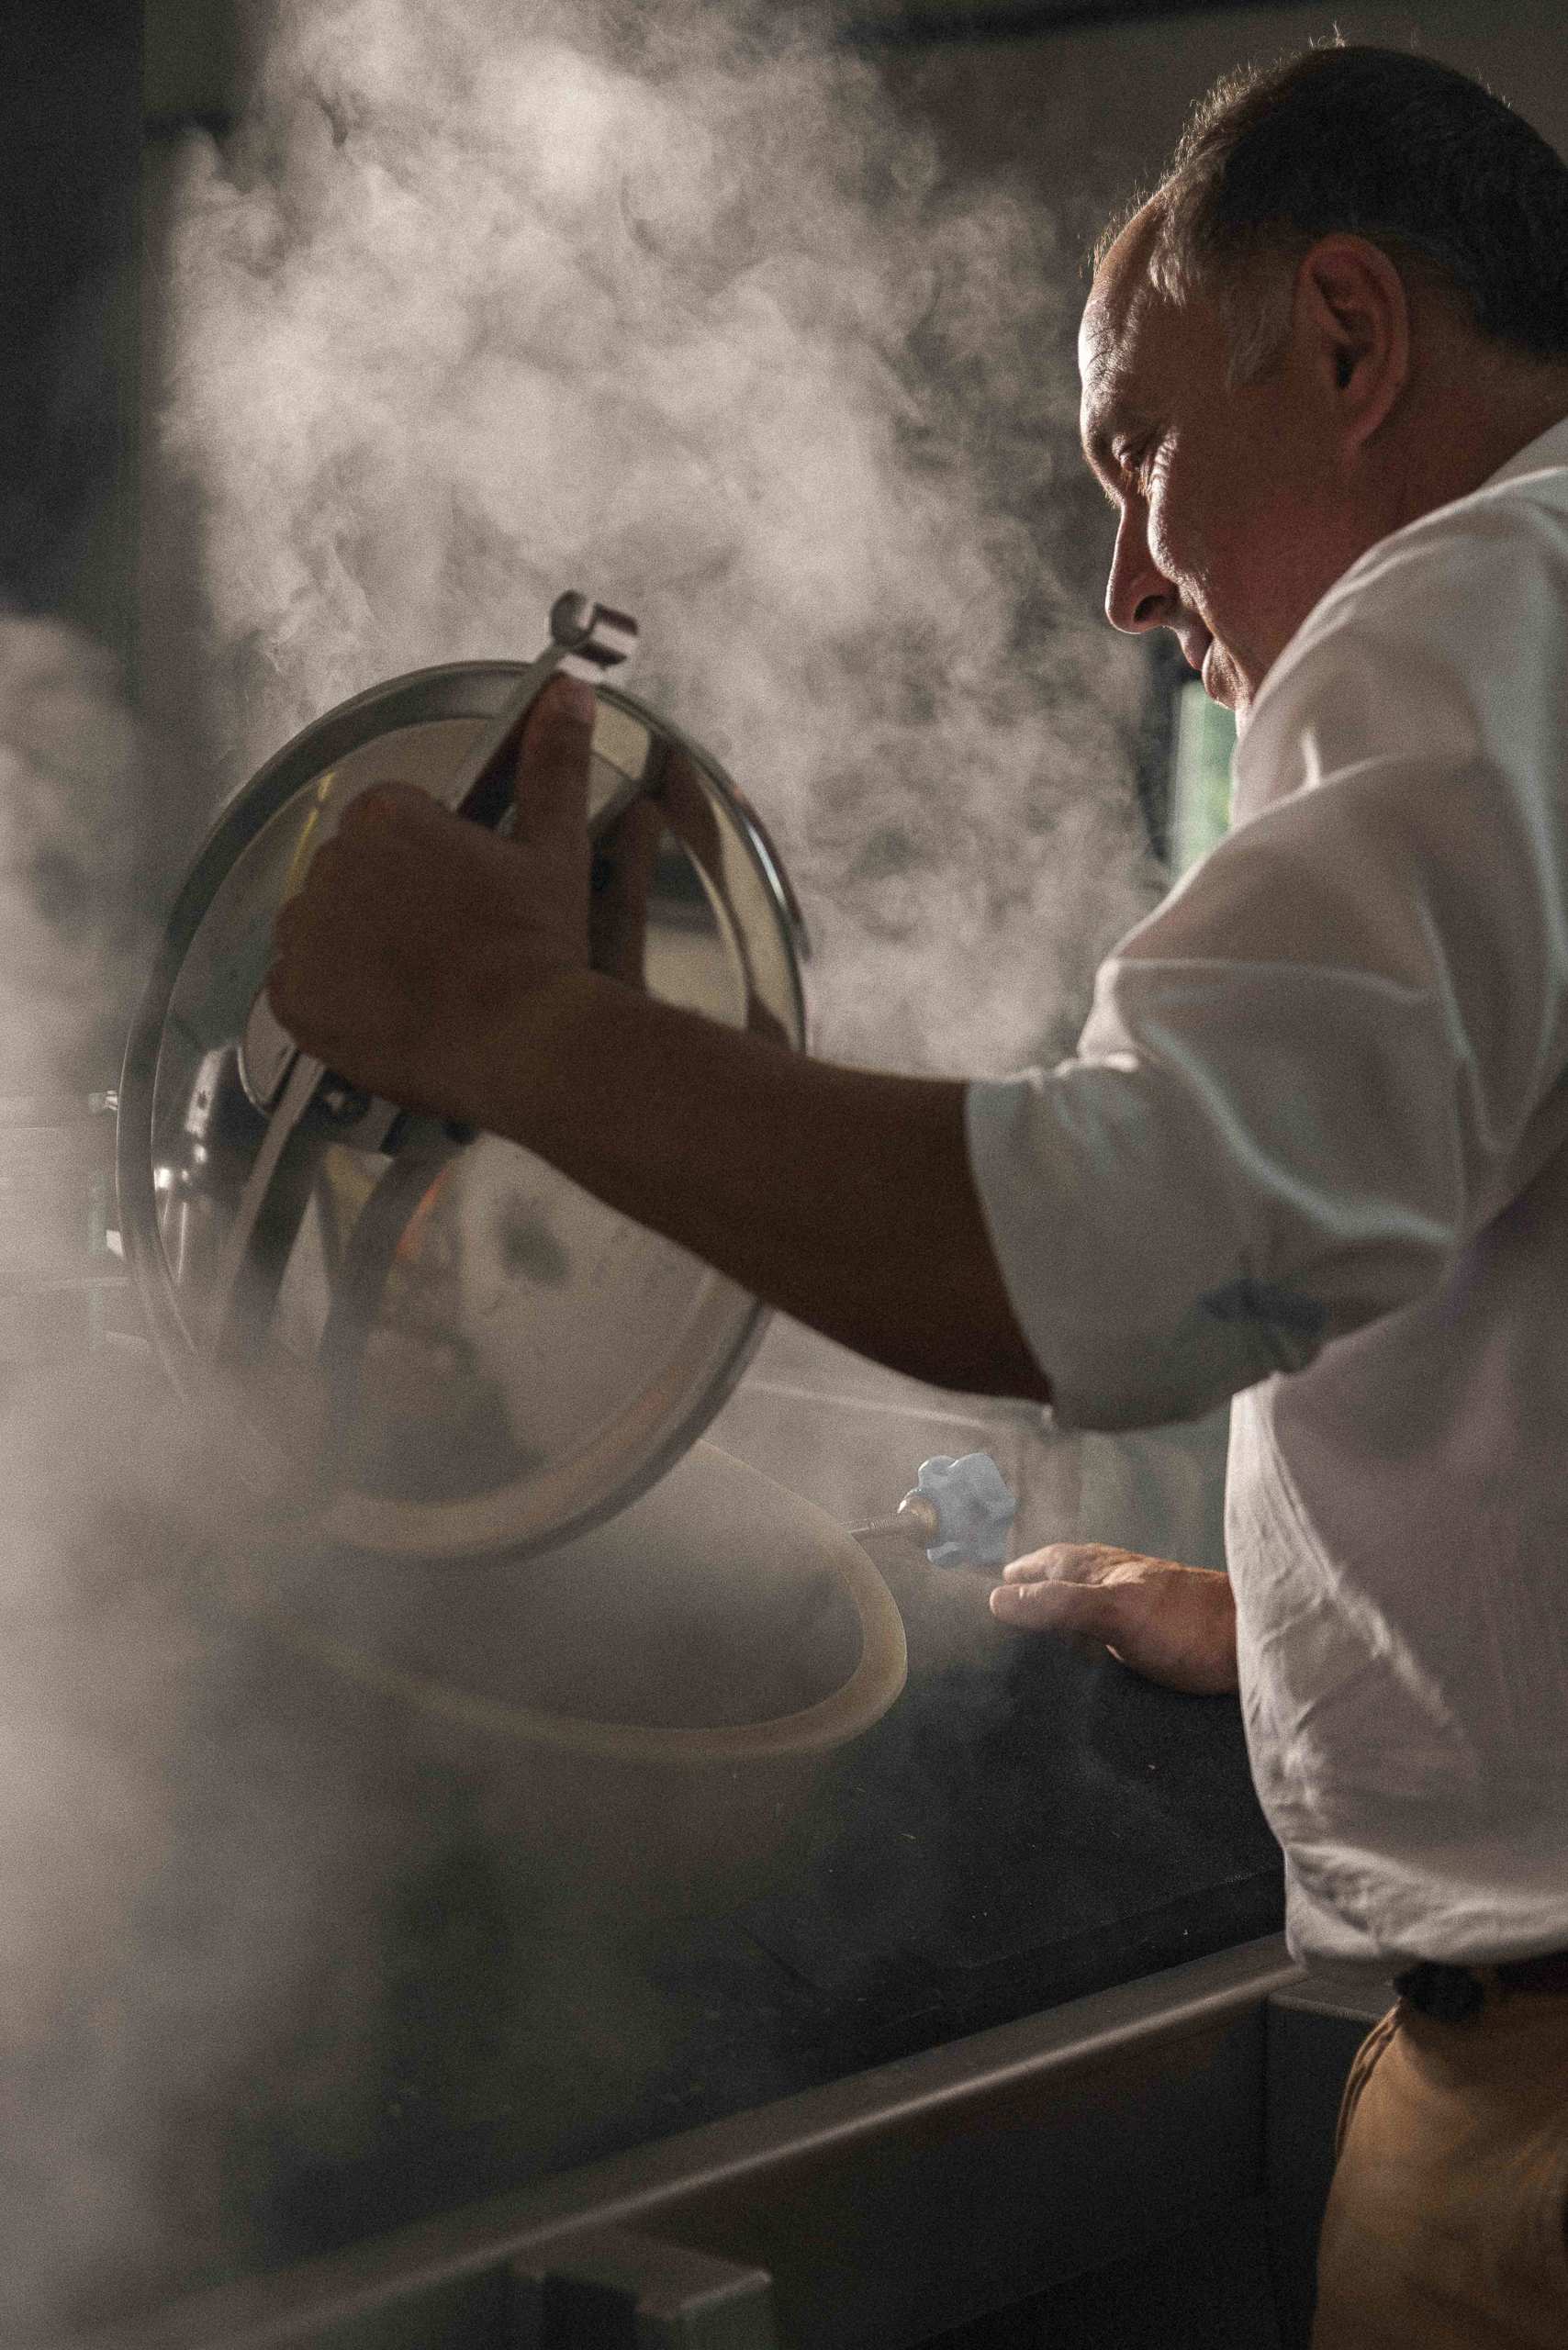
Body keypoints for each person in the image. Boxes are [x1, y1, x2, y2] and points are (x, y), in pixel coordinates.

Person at [267, 41, 1568, 2349]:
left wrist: (499, 1025)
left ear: (1351, 341)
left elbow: (1137, 1240)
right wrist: (1307, 1636)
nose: (1114, 581)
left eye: (1136, 448)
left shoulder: (1476, 605)